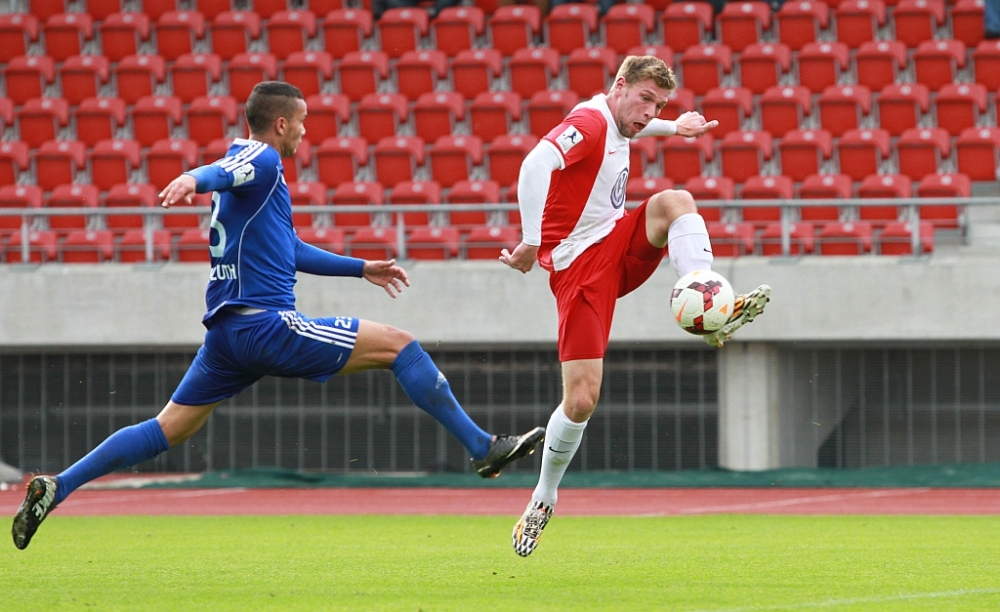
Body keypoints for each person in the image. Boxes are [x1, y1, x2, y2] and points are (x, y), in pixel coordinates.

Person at [11, 81, 545, 551]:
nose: (306, 133)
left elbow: (289, 249)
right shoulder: (262, 160)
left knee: (166, 428)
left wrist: (360, 268)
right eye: (303, 122)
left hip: (225, 336)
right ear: (282, 123)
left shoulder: (257, 178)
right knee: (400, 345)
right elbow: (223, 172)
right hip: (264, 324)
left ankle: (59, 486)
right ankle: (482, 448)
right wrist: (192, 178)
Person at [500, 56, 770, 557]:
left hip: (617, 240)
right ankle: (544, 497)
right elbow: (535, 164)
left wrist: (675, 127)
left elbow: (634, 125)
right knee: (581, 400)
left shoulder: (622, 118)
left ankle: (707, 297)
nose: (650, 113)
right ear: (619, 86)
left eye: (659, 105)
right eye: (646, 99)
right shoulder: (588, 122)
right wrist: (531, 241)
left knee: (673, 201)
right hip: (579, 267)